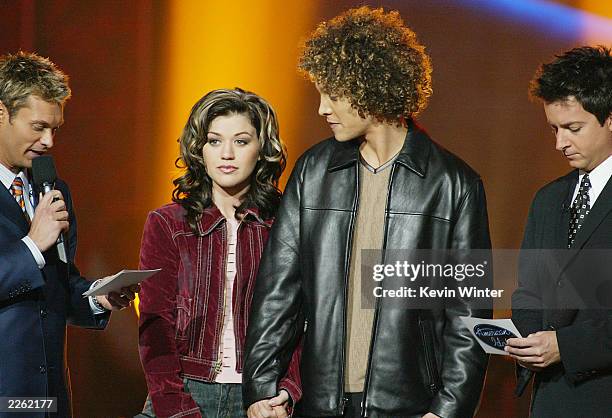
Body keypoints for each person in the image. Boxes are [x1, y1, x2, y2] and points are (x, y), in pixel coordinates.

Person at [243, 7, 492, 418]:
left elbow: (467, 316)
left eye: (333, 94)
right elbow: (277, 294)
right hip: (317, 402)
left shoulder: (454, 185)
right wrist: (260, 390)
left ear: (371, 87)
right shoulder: (312, 172)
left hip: (409, 407)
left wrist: (447, 411)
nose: (322, 108)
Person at [137, 88, 301, 418]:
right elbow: (155, 326)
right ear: (200, 149)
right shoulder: (167, 223)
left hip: (258, 396)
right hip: (184, 390)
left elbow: (299, 319)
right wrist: (176, 407)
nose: (226, 153)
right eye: (214, 141)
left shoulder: (286, 223)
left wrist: (287, 390)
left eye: (241, 141)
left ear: (262, 149)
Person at [0, 51, 137, 418]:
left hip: (49, 401)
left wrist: (97, 298)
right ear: (2, 113)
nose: (49, 142)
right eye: (38, 127)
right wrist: (31, 246)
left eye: (55, 129)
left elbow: (57, 283)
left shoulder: (52, 188)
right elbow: (29, 258)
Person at [508, 46, 612, 417]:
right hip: (551, 398)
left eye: (573, 128)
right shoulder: (548, 199)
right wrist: (527, 341)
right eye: (554, 129)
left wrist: (566, 346)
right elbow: (527, 291)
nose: (559, 143)